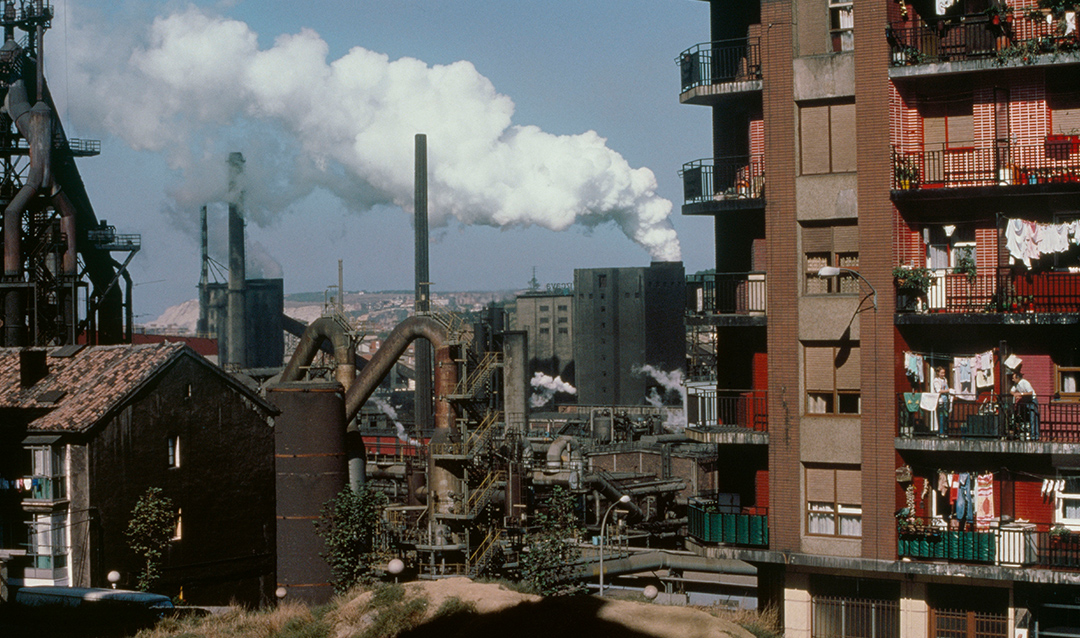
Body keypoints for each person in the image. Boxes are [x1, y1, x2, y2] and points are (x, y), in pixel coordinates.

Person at [1010, 370, 1039, 440]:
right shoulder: (1016, 385)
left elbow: (1030, 392)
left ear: (1017, 378)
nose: (1012, 379)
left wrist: (1020, 394)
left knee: (1033, 418)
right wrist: (1014, 394)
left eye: (1014, 378)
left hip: (1032, 400)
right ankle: (1028, 434)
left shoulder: (1025, 383)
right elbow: (1011, 391)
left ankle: (1035, 436)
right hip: (1026, 402)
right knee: (1026, 418)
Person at [932, 366, 951, 436]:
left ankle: (945, 431)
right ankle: (941, 432)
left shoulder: (945, 379)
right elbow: (938, 390)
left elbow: (946, 387)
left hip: (946, 399)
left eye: (944, 373)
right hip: (940, 400)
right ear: (938, 373)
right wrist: (948, 390)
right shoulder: (936, 380)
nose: (943, 374)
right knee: (941, 416)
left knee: (946, 416)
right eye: (942, 373)